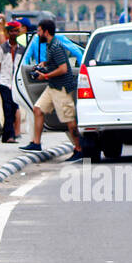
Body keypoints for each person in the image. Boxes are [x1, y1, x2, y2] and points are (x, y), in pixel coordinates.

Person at [21, 18, 82, 160]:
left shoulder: (56, 47)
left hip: (62, 88)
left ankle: (79, 148)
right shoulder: (50, 45)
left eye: (39, 31)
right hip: (53, 86)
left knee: (69, 121)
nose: (37, 34)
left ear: (46, 32)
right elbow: (56, 63)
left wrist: (46, 75)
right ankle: (36, 143)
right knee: (38, 109)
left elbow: (63, 69)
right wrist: (46, 64)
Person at [0, 21, 24, 143]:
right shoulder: (2, 48)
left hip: (15, 84)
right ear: (8, 32)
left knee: (13, 108)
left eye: (16, 31)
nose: (14, 33)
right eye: (11, 31)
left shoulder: (22, 49)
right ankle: (9, 135)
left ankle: (8, 135)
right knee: (7, 108)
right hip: (4, 82)